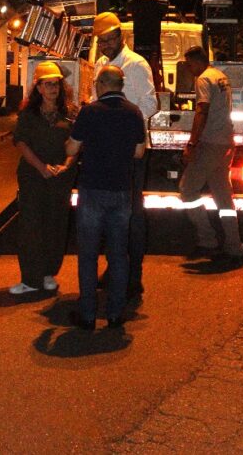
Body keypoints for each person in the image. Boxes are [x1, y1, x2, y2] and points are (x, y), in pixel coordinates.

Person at [66, 66, 146, 329]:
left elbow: (72, 147)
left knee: (88, 254)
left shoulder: (89, 111)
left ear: (101, 83)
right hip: (121, 191)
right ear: (121, 85)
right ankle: (115, 313)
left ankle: (88, 315)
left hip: (92, 190)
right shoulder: (134, 113)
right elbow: (138, 152)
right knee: (118, 254)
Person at [91, 11, 158, 296]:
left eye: (110, 40)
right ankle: (114, 268)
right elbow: (95, 102)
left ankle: (134, 276)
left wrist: (122, 123)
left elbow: (151, 104)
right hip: (104, 150)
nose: (106, 45)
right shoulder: (100, 66)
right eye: (101, 41)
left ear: (121, 36)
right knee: (108, 212)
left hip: (130, 150)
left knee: (131, 214)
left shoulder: (137, 65)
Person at [9, 61, 77, 295]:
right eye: (48, 84)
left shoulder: (69, 114)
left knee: (56, 225)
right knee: (31, 226)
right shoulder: (28, 114)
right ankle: (30, 277)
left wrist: (66, 165)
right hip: (33, 178)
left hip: (60, 179)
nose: (53, 89)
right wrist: (41, 167)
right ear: (38, 88)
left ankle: (48, 273)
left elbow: (76, 144)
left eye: (56, 84)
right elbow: (21, 142)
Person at [179, 45, 243, 263]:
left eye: (189, 65)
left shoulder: (203, 79)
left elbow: (202, 110)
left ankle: (207, 240)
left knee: (187, 190)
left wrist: (192, 142)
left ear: (197, 61)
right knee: (224, 197)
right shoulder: (220, 76)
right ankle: (234, 246)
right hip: (226, 142)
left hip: (210, 143)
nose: (189, 69)